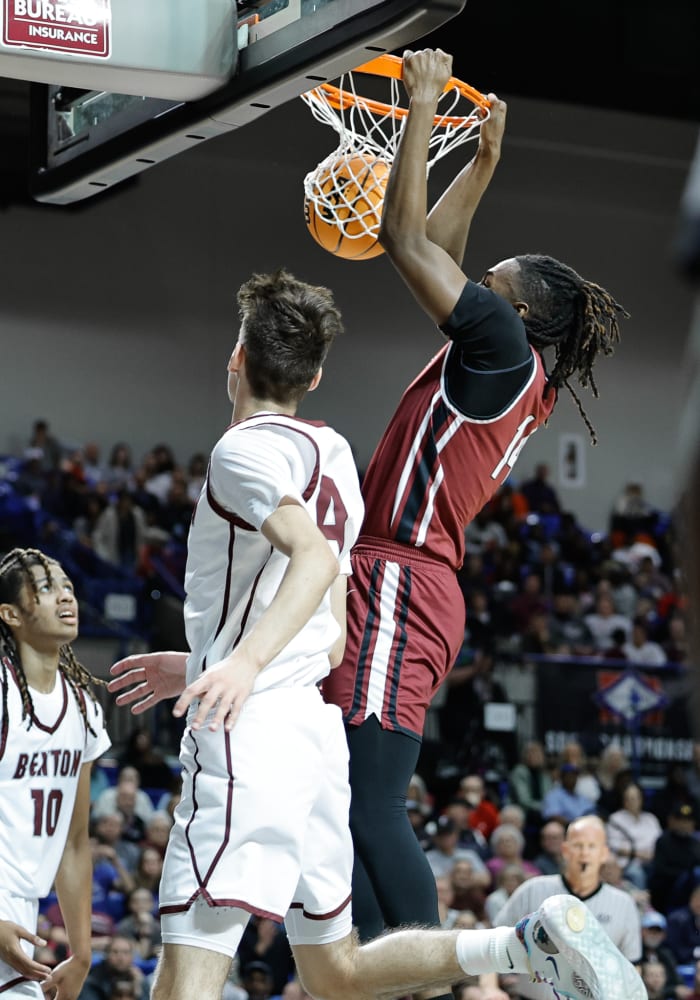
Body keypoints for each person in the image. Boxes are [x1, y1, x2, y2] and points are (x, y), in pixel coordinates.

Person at [106, 257, 643, 1000]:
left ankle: (487, 969)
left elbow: (316, 562)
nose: (474, 283)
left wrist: (236, 662)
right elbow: (328, 626)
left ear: (235, 358)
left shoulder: (245, 451)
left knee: (191, 971)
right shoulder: (330, 453)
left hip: (278, 703)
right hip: (314, 725)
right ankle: (516, 943)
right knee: (338, 970)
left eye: (490, 281)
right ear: (318, 377)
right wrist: (212, 654)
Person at [319, 43, 628, 964]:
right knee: (345, 798)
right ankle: (383, 975)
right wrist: (482, 162)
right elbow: (439, 254)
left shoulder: (497, 343)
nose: (473, 285)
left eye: (491, 283)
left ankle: (434, 977)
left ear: (517, 313)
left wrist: (417, 109)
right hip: (400, 579)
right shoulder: (507, 358)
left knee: (370, 802)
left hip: (403, 582)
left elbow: (408, 243)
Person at [0, 546, 111, 997]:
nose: (66, 597)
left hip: (20, 913)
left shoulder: (83, 710)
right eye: (46, 588)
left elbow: (73, 841)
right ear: (10, 613)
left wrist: (82, 953)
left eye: (67, 586)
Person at [478, 814, 643, 999]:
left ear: (604, 853)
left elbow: (632, 967)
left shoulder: (623, 904)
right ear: (565, 849)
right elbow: (491, 940)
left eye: (592, 846)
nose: (584, 853)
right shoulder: (533, 889)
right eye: (578, 845)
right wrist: (489, 988)